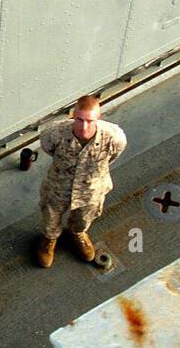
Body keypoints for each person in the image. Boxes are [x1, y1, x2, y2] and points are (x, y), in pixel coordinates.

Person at [35, 95, 127, 268]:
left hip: (92, 188)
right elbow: (49, 149)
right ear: (73, 116)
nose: (84, 126)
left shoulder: (114, 137)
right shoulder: (54, 133)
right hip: (58, 186)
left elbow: (112, 157)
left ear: (98, 119)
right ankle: (49, 239)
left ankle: (77, 234)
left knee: (84, 218)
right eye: (79, 119)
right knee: (50, 215)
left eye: (90, 121)